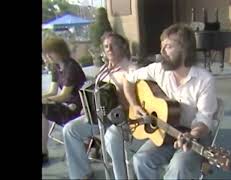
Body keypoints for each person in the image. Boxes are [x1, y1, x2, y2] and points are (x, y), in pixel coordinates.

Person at [123, 23, 218, 179]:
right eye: (162, 47)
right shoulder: (157, 69)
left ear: (184, 50)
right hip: (165, 131)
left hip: (195, 135)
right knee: (140, 160)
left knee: (178, 166)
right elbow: (128, 80)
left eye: (168, 47)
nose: (161, 52)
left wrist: (192, 135)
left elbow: (204, 119)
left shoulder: (204, 80)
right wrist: (134, 104)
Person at [62, 32, 137, 179]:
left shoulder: (131, 68)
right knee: (70, 129)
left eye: (113, 45)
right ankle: (82, 174)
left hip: (122, 119)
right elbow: (95, 90)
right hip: (100, 116)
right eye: (106, 46)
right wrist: (87, 107)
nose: (109, 49)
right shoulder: (104, 70)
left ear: (123, 46)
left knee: (111, 139)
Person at [42, 37, 86, 165]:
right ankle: (43, 150)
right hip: (65, 104)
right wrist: (44, 98)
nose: (47, 56)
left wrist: (45, 100)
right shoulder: (56, 67)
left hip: (77, 108)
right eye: (45, 53)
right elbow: (52, 91)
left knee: (43, 109)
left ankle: (43, 152)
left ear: (59, 51)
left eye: (50, 52)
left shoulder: (71, 67)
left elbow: (64, 95)